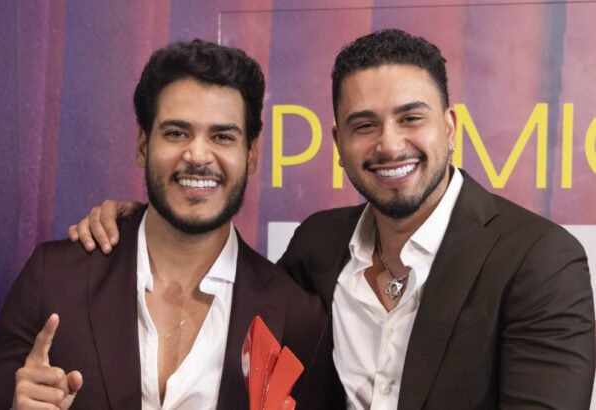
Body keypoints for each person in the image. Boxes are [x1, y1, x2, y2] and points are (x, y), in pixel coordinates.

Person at [68, 29, 595, 409]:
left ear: (450, 127)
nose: (390, 144)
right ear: (339, 143)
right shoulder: (317, 246)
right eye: (364, 125)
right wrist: (140, 224)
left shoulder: (540, 260)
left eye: (411, 118)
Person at [0, 40, 344, 410]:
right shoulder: (54, 277)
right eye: (176, 133)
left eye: (222, 136)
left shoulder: (297, 318)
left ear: (250, 154)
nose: (198, 155)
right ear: (143, 145)